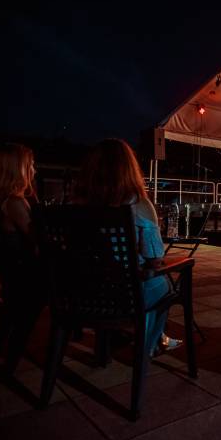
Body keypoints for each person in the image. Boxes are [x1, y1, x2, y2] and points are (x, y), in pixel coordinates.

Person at [75, 138, 182, 357]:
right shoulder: (138, 204)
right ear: (129, 169)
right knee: (161, 284)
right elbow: (155, 259)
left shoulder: (75, 206)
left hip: (85, 293)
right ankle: (148, 346)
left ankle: (141, 339)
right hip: (127, 295)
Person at [0, 143, 45, 373]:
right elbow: (40, 240)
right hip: (28, 279)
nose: (34, 170)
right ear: (18, 169)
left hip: (15, 277)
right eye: (31, 165)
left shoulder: (1, 201)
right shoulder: (15, 202)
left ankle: (0, 348)